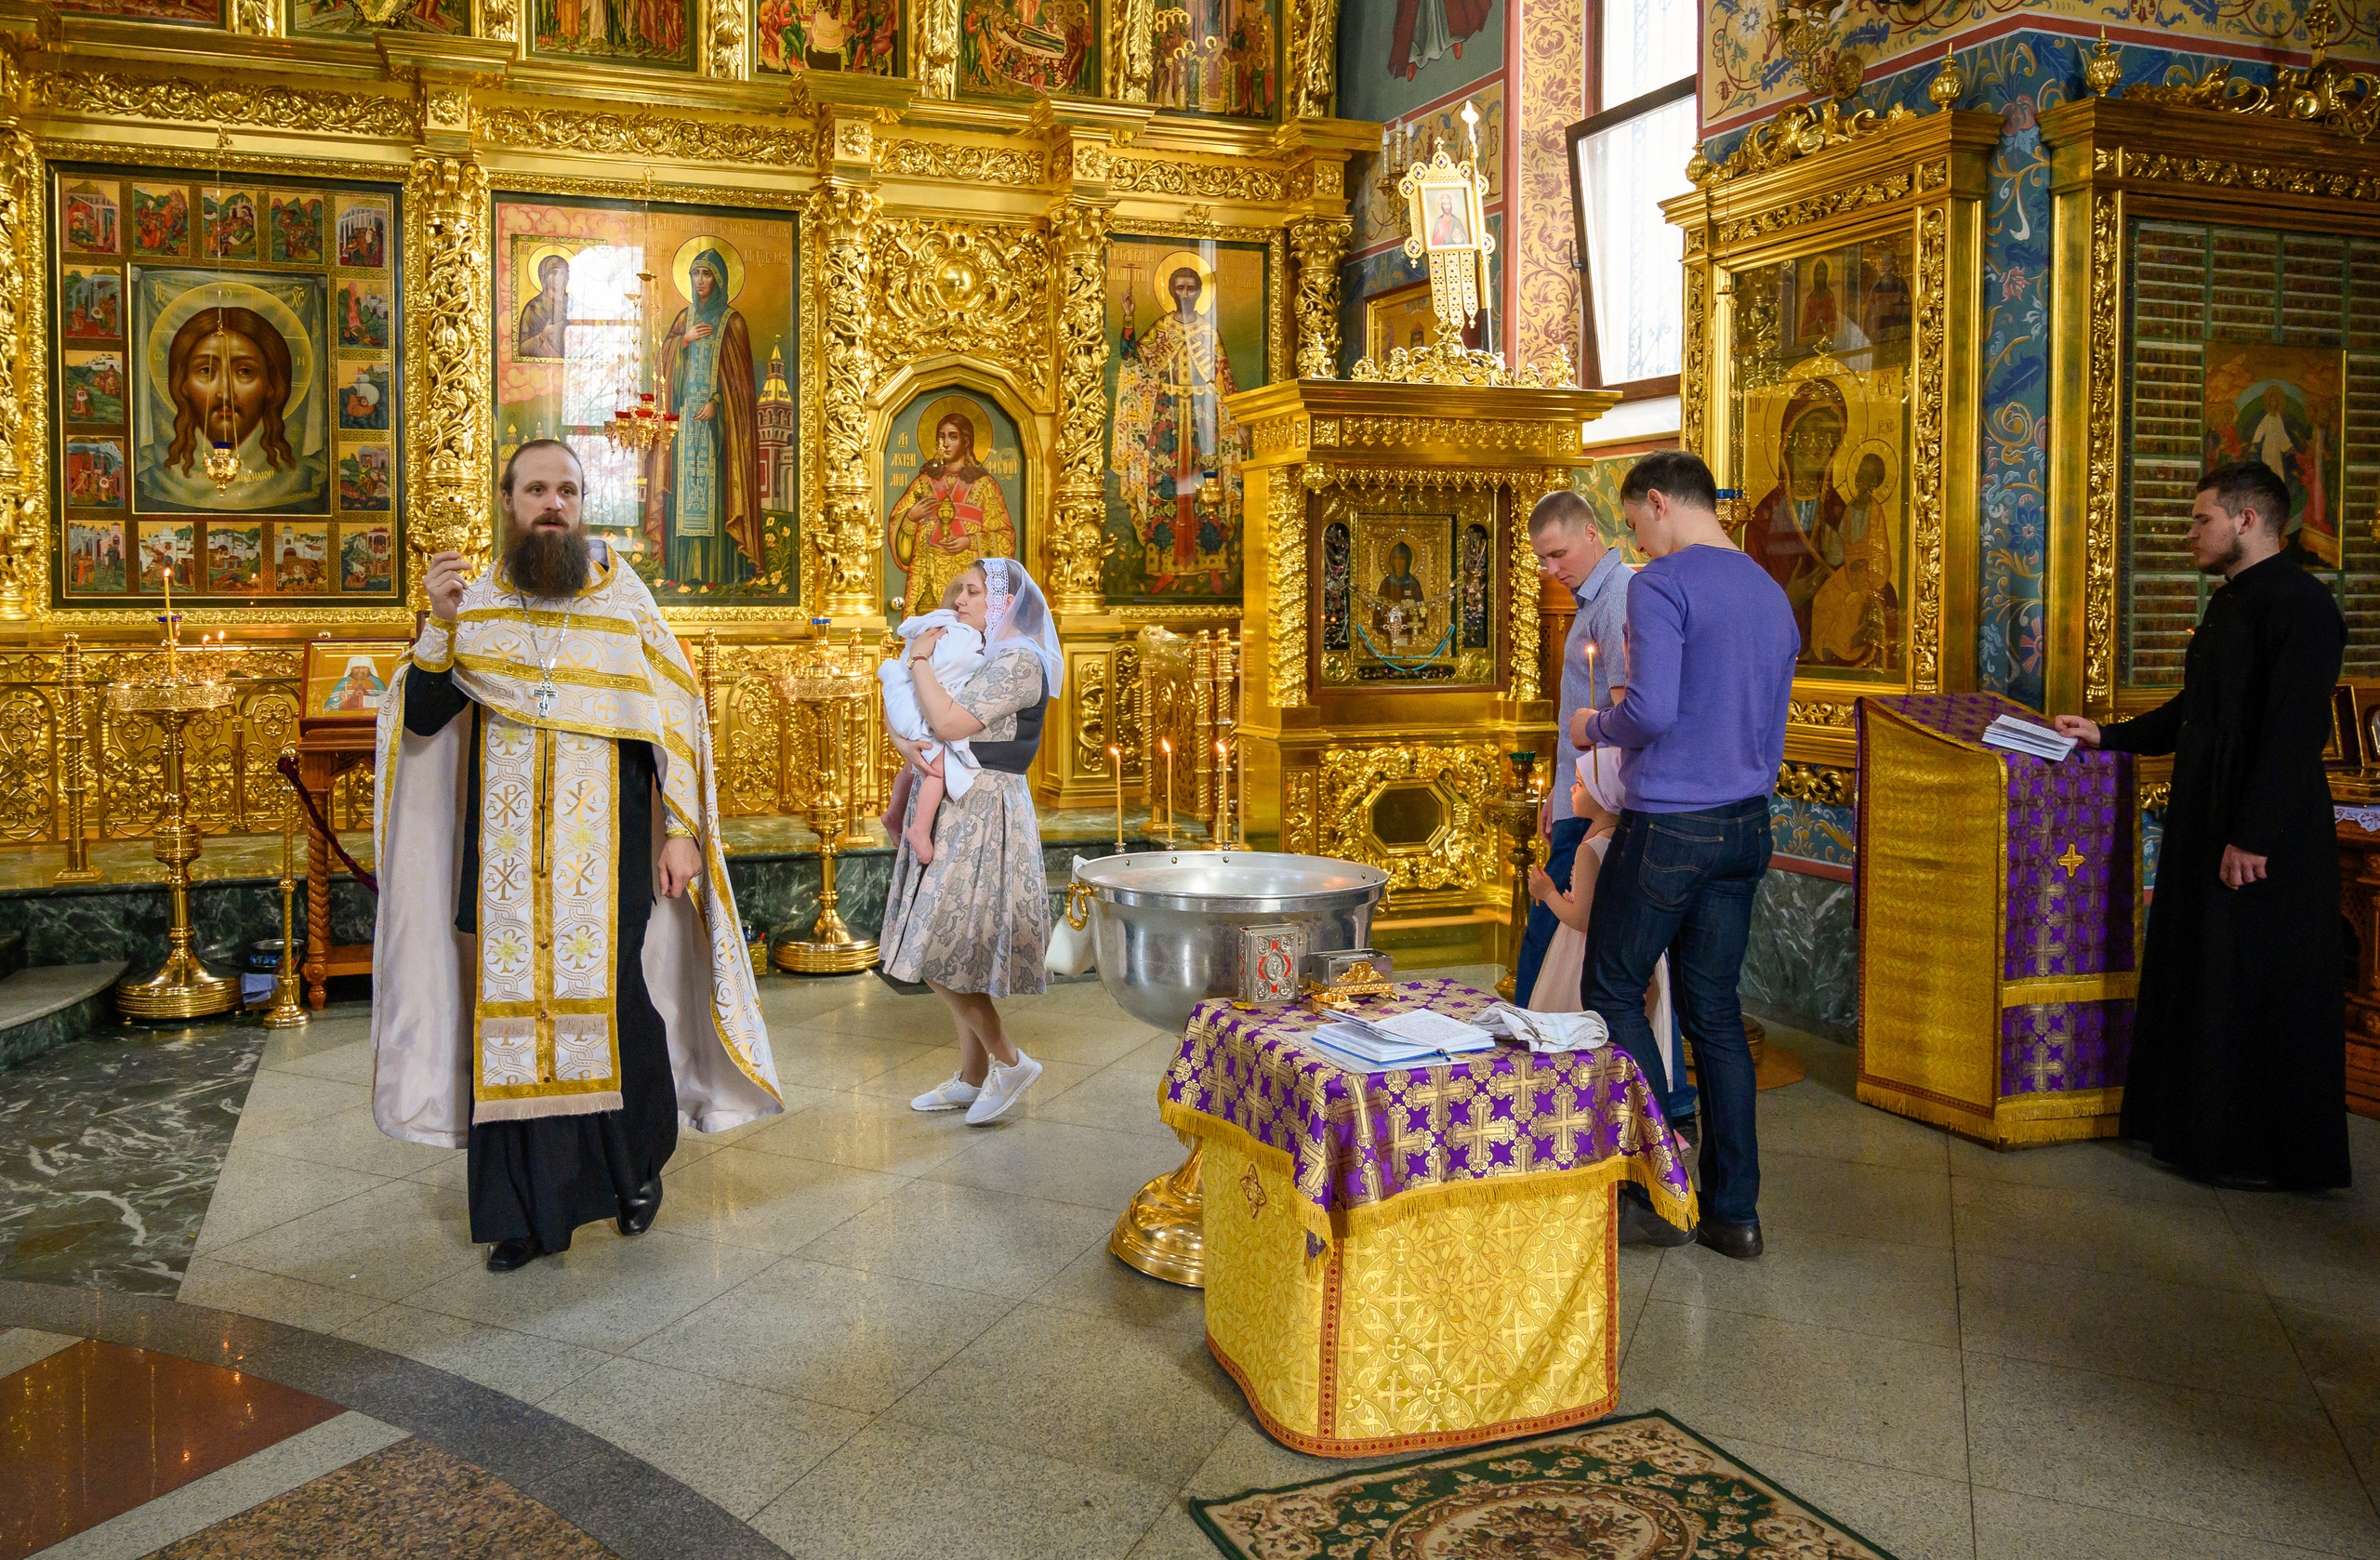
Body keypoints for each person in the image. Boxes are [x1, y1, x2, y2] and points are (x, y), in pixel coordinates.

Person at [370, 438, 784, 1271]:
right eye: (535, 490)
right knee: (511, 1029)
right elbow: (418, 722)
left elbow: (676, 721)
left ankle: (634, 1175)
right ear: (508, 502)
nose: (552, 504)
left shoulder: (624, 604)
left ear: (584, 503)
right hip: (501, 873)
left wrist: (682, 832)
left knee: (619, 1012)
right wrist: (439, 629)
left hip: (613, 862)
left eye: (567, 490)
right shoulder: (474, 606)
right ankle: (522, 1218)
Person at [2052, 461, 2350, 1190]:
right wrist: (2108, 736)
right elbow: (2198, 711)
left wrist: (2253, 835)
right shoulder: (2233, 601)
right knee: (2211, 975)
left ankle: (2265, 1152)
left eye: (2201, 520)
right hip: (2209, 816)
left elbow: (2292, 732)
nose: (2191, 534)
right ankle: (2202, 1137)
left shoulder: (2302, 606)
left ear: (2248, 521)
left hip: (2261, 832)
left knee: (2257, 984)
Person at [1574, 450, 1798, 1260]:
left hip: (1670, 823)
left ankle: (1660, 1191)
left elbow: (1654, 709)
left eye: (1635, 526)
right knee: (1715, 1015)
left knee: (1613, 989)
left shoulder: (1663, 586)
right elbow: (1769, 721)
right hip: (1746, 824)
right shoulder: (1771, 591)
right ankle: (1736, 1214)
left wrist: (1593, 728)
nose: (1638, 545)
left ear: (1660, 504)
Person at [887, 557, 1064, 1126]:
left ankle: (1009, 1062)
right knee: (953, 952)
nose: (959, 601)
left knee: (937, 946)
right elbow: (920, 722)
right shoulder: (987, 654)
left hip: (986, 809)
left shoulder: (1019, 661)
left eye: (972, 592)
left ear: (1004, 602)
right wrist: (907, 743)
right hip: (958, 803)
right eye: (956, 591)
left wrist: (916, 658)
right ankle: (971, 1076)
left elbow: (948, 724)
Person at [1516, 491, 1631, 1045]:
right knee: (1553, 939)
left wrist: (1583, 803)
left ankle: (1519, 1056)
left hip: (1597, 801)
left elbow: (1621, 711)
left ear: (1591, 534)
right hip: (1578, 795)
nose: (1549, 569)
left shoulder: (1615, 600)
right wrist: (1558, 798)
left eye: (1557, 555)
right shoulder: (1594, 599)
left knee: (1550, 931)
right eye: (1541, 559)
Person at [1526, 750, 1675, 1070]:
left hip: (1584, 955)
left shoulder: (1589, 850)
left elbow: (1583, 920)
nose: (1570, 790)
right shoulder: (1632, 840)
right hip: (1632, 948)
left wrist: (1548, 893)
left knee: (1575, 1043)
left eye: (1579, 784)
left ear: (1603, 792)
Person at [645, 246, 763, 586]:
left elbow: (740, 386)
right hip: (682, 429)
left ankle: (716, 574)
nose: (700, 280)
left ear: (720, 280)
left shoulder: (733, 322)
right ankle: (679, 573)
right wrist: (681, 341)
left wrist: (718, 404)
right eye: (695, 273)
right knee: (682, 494)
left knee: (714, 497)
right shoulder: (684, 318)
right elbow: (661, 368)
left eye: (707, 274)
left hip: (717, 433)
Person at [878, 593, 985, 865]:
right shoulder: (958, 632)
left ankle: (893, 813)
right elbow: (948, 665)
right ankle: (919, 829)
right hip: (915, 700)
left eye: (973, 593)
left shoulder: (936, 624)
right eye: (965, 593)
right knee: (936, 766)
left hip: (903, 696)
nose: (963, 600)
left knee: (913, 766)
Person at [889, 412, 1018, 613]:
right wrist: (911, 517)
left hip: (967, 583)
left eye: (952, 437)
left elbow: (1005, 538)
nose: (945, 443)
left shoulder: (985, 487)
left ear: (966, 442)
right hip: (926, 582)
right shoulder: (922, 484)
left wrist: (970, 541)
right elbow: (898, 534)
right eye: (941, 437)